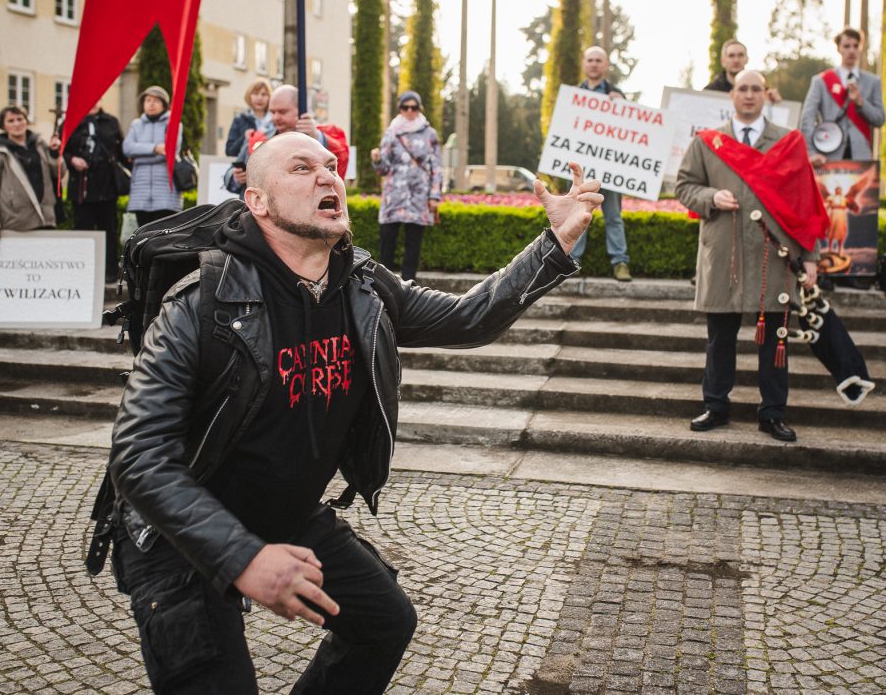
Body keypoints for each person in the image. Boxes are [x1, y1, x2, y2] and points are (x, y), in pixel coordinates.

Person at [106, 131, 600, 694]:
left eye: (332, 165)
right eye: (302, 167)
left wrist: (557, 240)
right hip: (176, 534)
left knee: (385, 623)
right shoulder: (201, 302)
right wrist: (244, 557)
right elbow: (139, 456)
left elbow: (469, 317)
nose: (327, 176)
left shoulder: (363, 286)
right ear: (258, 201)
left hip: (281, 511)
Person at [676, 70, 828, 444]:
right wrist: (710, 198)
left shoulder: (788, 143)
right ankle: (716, 406)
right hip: (724, 253)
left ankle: (773, 413)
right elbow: (684, 186)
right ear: (731, 96)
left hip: (772, 257)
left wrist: (810, 257)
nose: (748, 95)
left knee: (775, 339)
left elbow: (806, 204)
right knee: (720, 338)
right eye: (742, 89)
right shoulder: (709, 142)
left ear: (765, 95)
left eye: (755, 89)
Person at [569, 45, 632, 281]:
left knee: (614, 216)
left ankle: (620, 263)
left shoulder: (617, 96)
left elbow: (629, 132)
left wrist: (623, 104)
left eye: (598, 60)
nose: (594, 64)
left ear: (605, 66)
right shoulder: (572, 96)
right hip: (581, 170)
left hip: (610, 171)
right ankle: (573, 261)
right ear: (584, 64)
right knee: (578, 214)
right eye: (590, 60)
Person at [369, 90, 443, 281]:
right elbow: (383, 170)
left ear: (419, 109)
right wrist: (377, 160)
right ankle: (384, 284)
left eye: (414, 107)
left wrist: (434, 196)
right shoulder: (392, 132)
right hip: (394, 196)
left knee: (413, 244)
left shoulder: (430, 134)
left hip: (418, 197)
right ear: (400, 109)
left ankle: (409, 285)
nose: (410, 111)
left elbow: (436, 167)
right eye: (405, 107)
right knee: (387, 242)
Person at [224, 84, 349, 196]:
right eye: (272, 112)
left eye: (282, 112)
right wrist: (236, 178)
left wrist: (315, 136)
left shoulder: (318, 138)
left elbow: (339, 162)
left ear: (300, 110)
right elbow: (229, 174)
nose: (275, 117)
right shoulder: (258, 138)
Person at [800, 28, 886, 165]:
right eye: (846, 46)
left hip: (861, 158)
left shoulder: (873, 82)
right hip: (827, 155)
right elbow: (807, 119)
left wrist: (861, 102)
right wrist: (811, 153)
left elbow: (880, 119)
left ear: (860, 48)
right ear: (839, 49)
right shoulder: (821, 81)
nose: (851, 50)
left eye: (855, 46)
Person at [63, 105, 125, 282]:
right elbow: (62, 150)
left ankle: (110, 273)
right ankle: (83, 272)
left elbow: (121, 152)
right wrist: (72, 159)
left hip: (106, 186)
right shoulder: (71, 121)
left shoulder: (111, 122)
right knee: (83, 231)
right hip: (82, 187)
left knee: (109, 230)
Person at [0, 106, 61, 236]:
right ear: (3, 125)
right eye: (11, 121)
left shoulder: (40, 145)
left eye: (20, 119)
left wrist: (54, 153)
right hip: (16, 220)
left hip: (44, 217)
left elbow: (58, 173)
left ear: (26, 121)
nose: (16, 124)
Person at [124, 85, 184, 227]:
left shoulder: (173, 124)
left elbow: (170, 151)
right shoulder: (136, 125)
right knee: (143, 237)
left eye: (156, 100)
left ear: (164, 104)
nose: (151, 104)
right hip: (141, 192)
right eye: (148, 100)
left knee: (163, 237)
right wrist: (155, 148)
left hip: (166, 192)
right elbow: (127, 148)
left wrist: (138, 154)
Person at [703, 39, 783, 102]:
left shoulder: (761, 91)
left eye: (740, 55)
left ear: (747, 59)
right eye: (731, 56)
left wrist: (776, 102)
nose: (736, 60)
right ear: (723, 61)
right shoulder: (709, 92)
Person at [225, 77, 276, 157]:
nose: (259, 98)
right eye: (255, 93)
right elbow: (229, 152)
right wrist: (244, 138)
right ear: (249, 96)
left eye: (264, 94)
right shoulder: (239, 119)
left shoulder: (276, 120)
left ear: (269, 97)